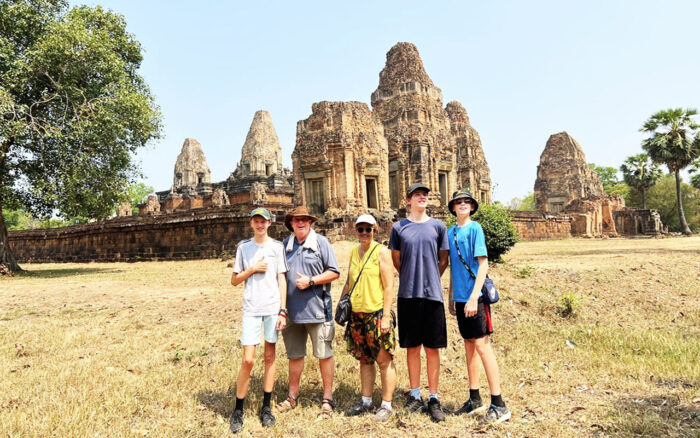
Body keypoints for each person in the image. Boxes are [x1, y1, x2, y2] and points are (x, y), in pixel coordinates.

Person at [447, 189, 511, 425]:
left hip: (476, 296)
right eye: (458, 202)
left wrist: (474, 297)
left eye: (466, 201)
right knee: (469, 345)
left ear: (472, 207)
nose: (462, 204)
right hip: (461, 297)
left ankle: (499, 403)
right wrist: (451, 296)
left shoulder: (475, 229)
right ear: (453, 207)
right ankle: (475, 397)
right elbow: (454, 267)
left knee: (483, 346)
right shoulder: (450, 232)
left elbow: (482, 265)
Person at [388, 183, 449, 422]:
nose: (422, 198)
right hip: (408, 294)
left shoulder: (438, 226)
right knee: (412, 347)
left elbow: (443, 260)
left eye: (424, 195)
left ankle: (433, 397)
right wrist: (413, 276)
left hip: (432, 294)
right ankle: (415, 395)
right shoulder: (398, 228)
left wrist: (430, 277)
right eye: (417, 195)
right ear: (408, 201)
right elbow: (396, 259)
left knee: (432, 348)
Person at [277, 206, 340, 419]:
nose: (301, 223)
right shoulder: (286, 245)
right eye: (297, 220)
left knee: (324, 354)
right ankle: (292, 396)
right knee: (295, 355)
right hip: (291, 312)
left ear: (310, 222)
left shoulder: (320, 243)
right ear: (291, 224)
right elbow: (280, 277)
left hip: (317, 310)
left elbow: (334, 272)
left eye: (305, 219)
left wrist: (311, 281)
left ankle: (327, 399)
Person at [229, 207, 288, 433]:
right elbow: (234, 280)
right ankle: (238, 409)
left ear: (270, 223)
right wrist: (252, 269)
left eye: (264, 221)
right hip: (251, 307)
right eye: (256, 221)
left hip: (272, 307)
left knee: (270, 356)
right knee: (248, 360)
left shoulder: (277, 247)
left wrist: (283, 310)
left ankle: (266, 407)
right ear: (251, 224)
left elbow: (281, 279)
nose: (260, 225)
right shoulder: (244, 248)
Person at [341, 214, 397, 422]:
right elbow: (349, 281)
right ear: (355, 231)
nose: (364, 233)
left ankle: (386, 404)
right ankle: (366, 400)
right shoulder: (354, 252)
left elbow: (389, 285)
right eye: (360, 229)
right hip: (357, 315)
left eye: (368, 229)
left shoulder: (382, 252)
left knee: (383, 359)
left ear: (375, 231)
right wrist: (341, 306)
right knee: (364, 359)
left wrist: (385, 317)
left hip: (375, 313)